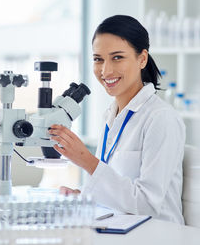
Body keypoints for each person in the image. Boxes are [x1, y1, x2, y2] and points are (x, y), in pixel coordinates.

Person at [48, 15, 185, 225]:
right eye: (98, 59)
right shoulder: (112, 115)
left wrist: (86, 160)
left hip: (156, 235)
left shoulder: (161, 119)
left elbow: (146, 204)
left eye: (117, 57)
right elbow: (118, 192)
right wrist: (82, 197)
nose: (105, 71)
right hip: (119, 230)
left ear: (142, 59)